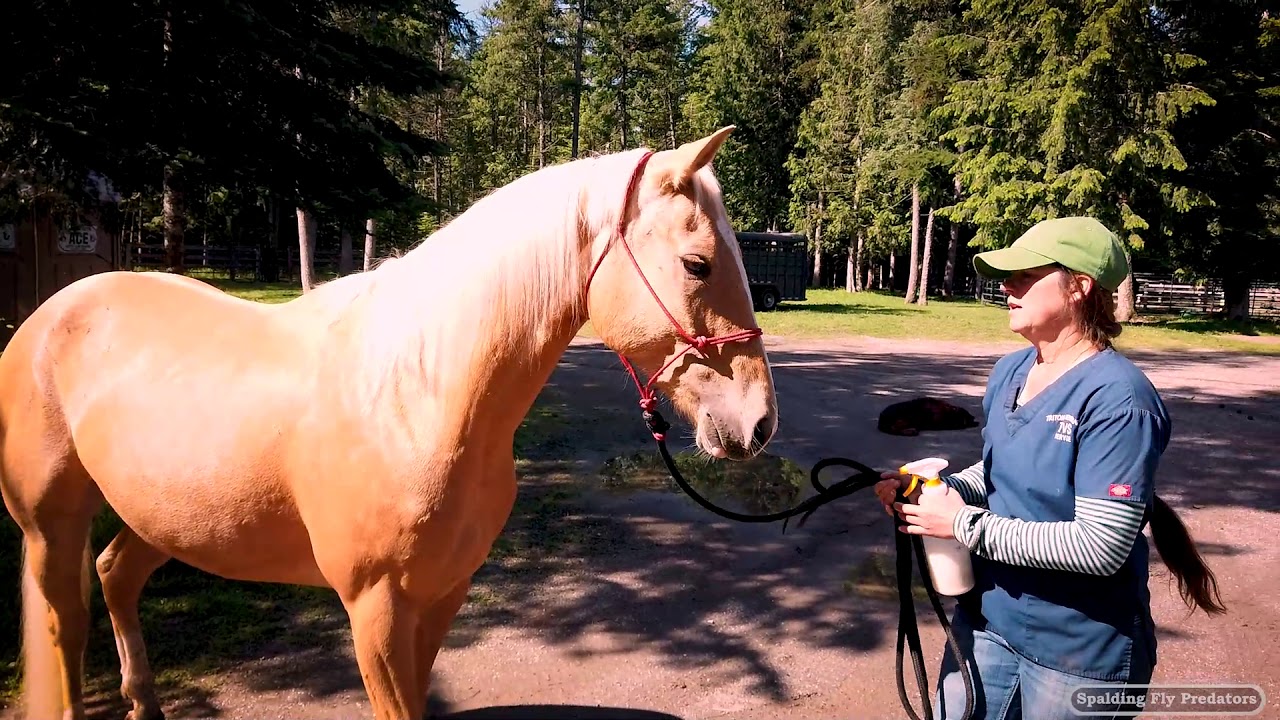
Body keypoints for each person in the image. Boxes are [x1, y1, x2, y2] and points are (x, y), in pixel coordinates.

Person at [874, 216, 1226, 720]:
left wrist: (962, 524)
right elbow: (998, 472)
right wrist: (934, 490)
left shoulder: (1119, 399)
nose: (1007, 287)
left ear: (1079, 286)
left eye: (1025, 275)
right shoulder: (1011, 370)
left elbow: (1100, 547)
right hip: (988, 624)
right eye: (1007, 276)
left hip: (1081, 652)